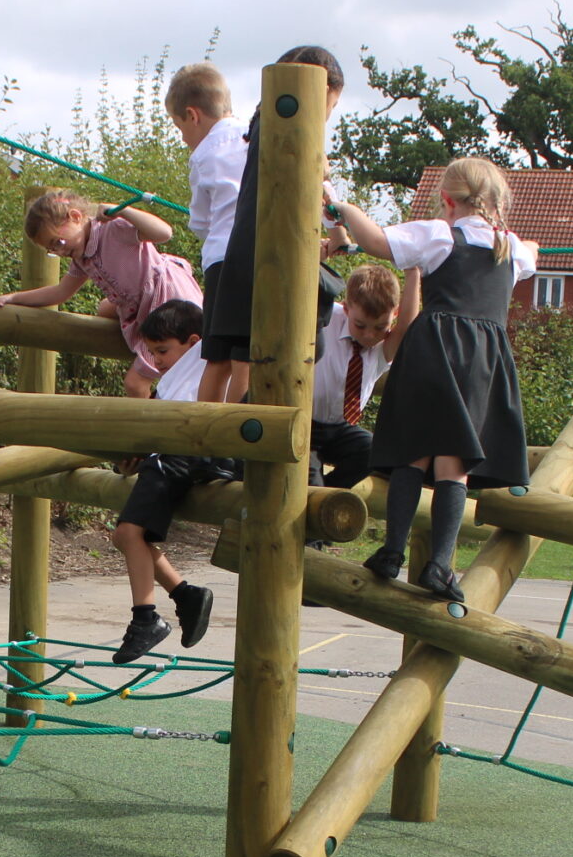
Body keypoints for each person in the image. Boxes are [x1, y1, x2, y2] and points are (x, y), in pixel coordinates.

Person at [328, 157, 540, 604]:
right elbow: (533, 257)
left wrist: (342, 207)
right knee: (454, 462)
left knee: (413, 452)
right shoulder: (513, 248)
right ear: (495, 202)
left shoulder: (439, 234)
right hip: (481, 359)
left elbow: (376, 241)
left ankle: (391, 551)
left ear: (447, 199)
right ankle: (441, 564)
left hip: (434, 347)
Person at [198, 44, 349, 405]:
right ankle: (235, 449)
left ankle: (213, 451)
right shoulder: (286, 119)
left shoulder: (263, 121)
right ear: (320, 90)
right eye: (331, 105)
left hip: (239, 251)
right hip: (265, 255)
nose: (328, 115)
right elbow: (312, 176)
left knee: (233, 354)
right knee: (255, 355)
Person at [0, 188, 198, 398]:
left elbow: (164, 233)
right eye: (52, 251)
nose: (60, 252)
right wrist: (14, 297)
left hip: (166, 299)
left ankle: (151, 424)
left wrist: (125, 212)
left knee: (135, 384)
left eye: (58, 243)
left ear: (76, 217)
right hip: (137, 303)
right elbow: (60, 292)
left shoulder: (112, 229)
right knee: (103, 309)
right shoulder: (81, 256)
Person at [106, 299, 226, 663]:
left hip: (179, 458)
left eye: (162, 350)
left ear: (192, 342)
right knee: (125, 536)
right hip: (167, 456)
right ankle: (184, 594)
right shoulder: (176, 377)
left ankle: (146, 618)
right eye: (152, 352)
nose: (155, 360)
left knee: (129, 534)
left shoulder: (202, 361)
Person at [164, 61, 250, 406]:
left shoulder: (204, 154)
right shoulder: (256, 136)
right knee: (248, 354)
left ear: (192, 114)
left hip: (222, 259)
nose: (183, 136)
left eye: (179, 126)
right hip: (260, 257)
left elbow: (200, 222)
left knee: (218, 357)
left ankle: (208, 444)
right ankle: (236, 446)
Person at [308, 263, 413, 488]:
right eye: (360, 325)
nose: (369, 335)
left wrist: (413, 270)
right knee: (309, 482)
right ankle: (317, 490)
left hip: (339, 429)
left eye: (380, 327)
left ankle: (331, 494)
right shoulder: (328, 319)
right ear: (346, 309)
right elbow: (308, 292)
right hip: (307, 425)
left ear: (394, 315)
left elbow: (407, 326)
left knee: (375, 450)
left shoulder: (382, 349)